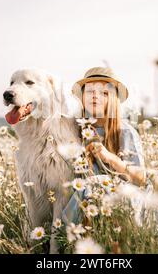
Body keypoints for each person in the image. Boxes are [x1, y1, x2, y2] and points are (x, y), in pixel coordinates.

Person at [61, 67, 147, 226]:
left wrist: (110, 158)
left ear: (113, 99)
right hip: (83, 198)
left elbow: (141, 179)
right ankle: (70, 238)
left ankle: (64, 235)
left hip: (122, 200)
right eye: (89, 91)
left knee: (97, 182)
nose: (95, 95)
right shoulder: (72, 130)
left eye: (104, 93)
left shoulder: (125, 132)